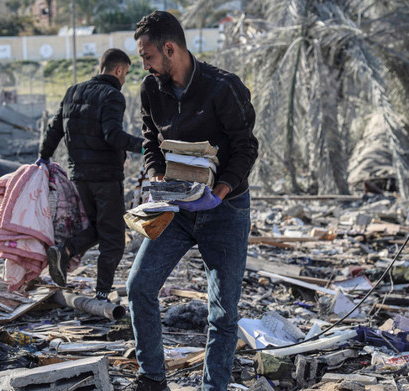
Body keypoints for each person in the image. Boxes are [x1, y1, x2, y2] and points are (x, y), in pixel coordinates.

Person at [127, 11, 258, 391]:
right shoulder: (150, 89)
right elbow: (150, 139)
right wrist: (157, 179)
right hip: (177, 209)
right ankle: (151, 378)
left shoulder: (223, 87)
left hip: (225, 210)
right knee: (139, 287)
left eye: (148, 56)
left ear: (170, 49)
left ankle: (212, 387)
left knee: (222, 311)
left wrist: (218, 194)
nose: (145, 65)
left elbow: (247, 148)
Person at [38, 48, 144, 301]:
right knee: (115, 238)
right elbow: (113, 136)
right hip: (106, 177)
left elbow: (54, 129)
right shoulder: (112, 96)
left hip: (79, 177)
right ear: (119, 70)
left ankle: (65, 250)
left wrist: (43, 157)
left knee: (97, 228)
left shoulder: (72, 92)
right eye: (126, 73)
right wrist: (146, 145)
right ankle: (102, 293)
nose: (125, 79)